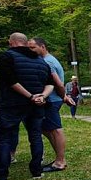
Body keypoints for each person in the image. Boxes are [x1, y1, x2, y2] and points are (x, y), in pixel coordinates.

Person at [0, 32, 53, 180]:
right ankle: (37, 171)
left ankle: (0, 176)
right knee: (35, 136)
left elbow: (11, 81)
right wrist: (41, 96)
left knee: (4, 138)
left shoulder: (6, 57)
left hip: (13, 104)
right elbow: (50, 83)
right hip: (36, 106)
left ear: (12, 42)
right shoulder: (41, 61)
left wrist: (30, 96)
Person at [28, 37, 76, 172]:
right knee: (46, 129)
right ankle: (59, 158)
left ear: (42, 47)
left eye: (33, 47)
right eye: (29, 48)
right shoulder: (47, 60)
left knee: (55, 129)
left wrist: (63, 96)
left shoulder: (47, 62)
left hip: (51, 100)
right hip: (53, 99)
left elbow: (58, 84)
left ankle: (60, 161)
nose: (30, 50)